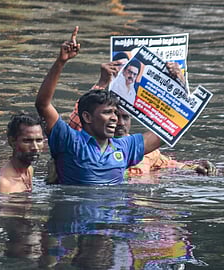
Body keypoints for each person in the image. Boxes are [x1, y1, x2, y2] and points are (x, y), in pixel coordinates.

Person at [35, 26, 162, 185]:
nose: (114, 119)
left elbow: (169, 129)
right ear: (87, 117)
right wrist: (61, 62)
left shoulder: (125, 147)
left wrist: (177, 82)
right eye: (108, 113)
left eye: (115, 113)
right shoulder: (69, 141)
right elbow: (42, 104)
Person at [0, 113, 44, 193]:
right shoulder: (3, 183)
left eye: (39, 140)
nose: (35, 147)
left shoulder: (29, 170)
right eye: (27, 141)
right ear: (12, 142)